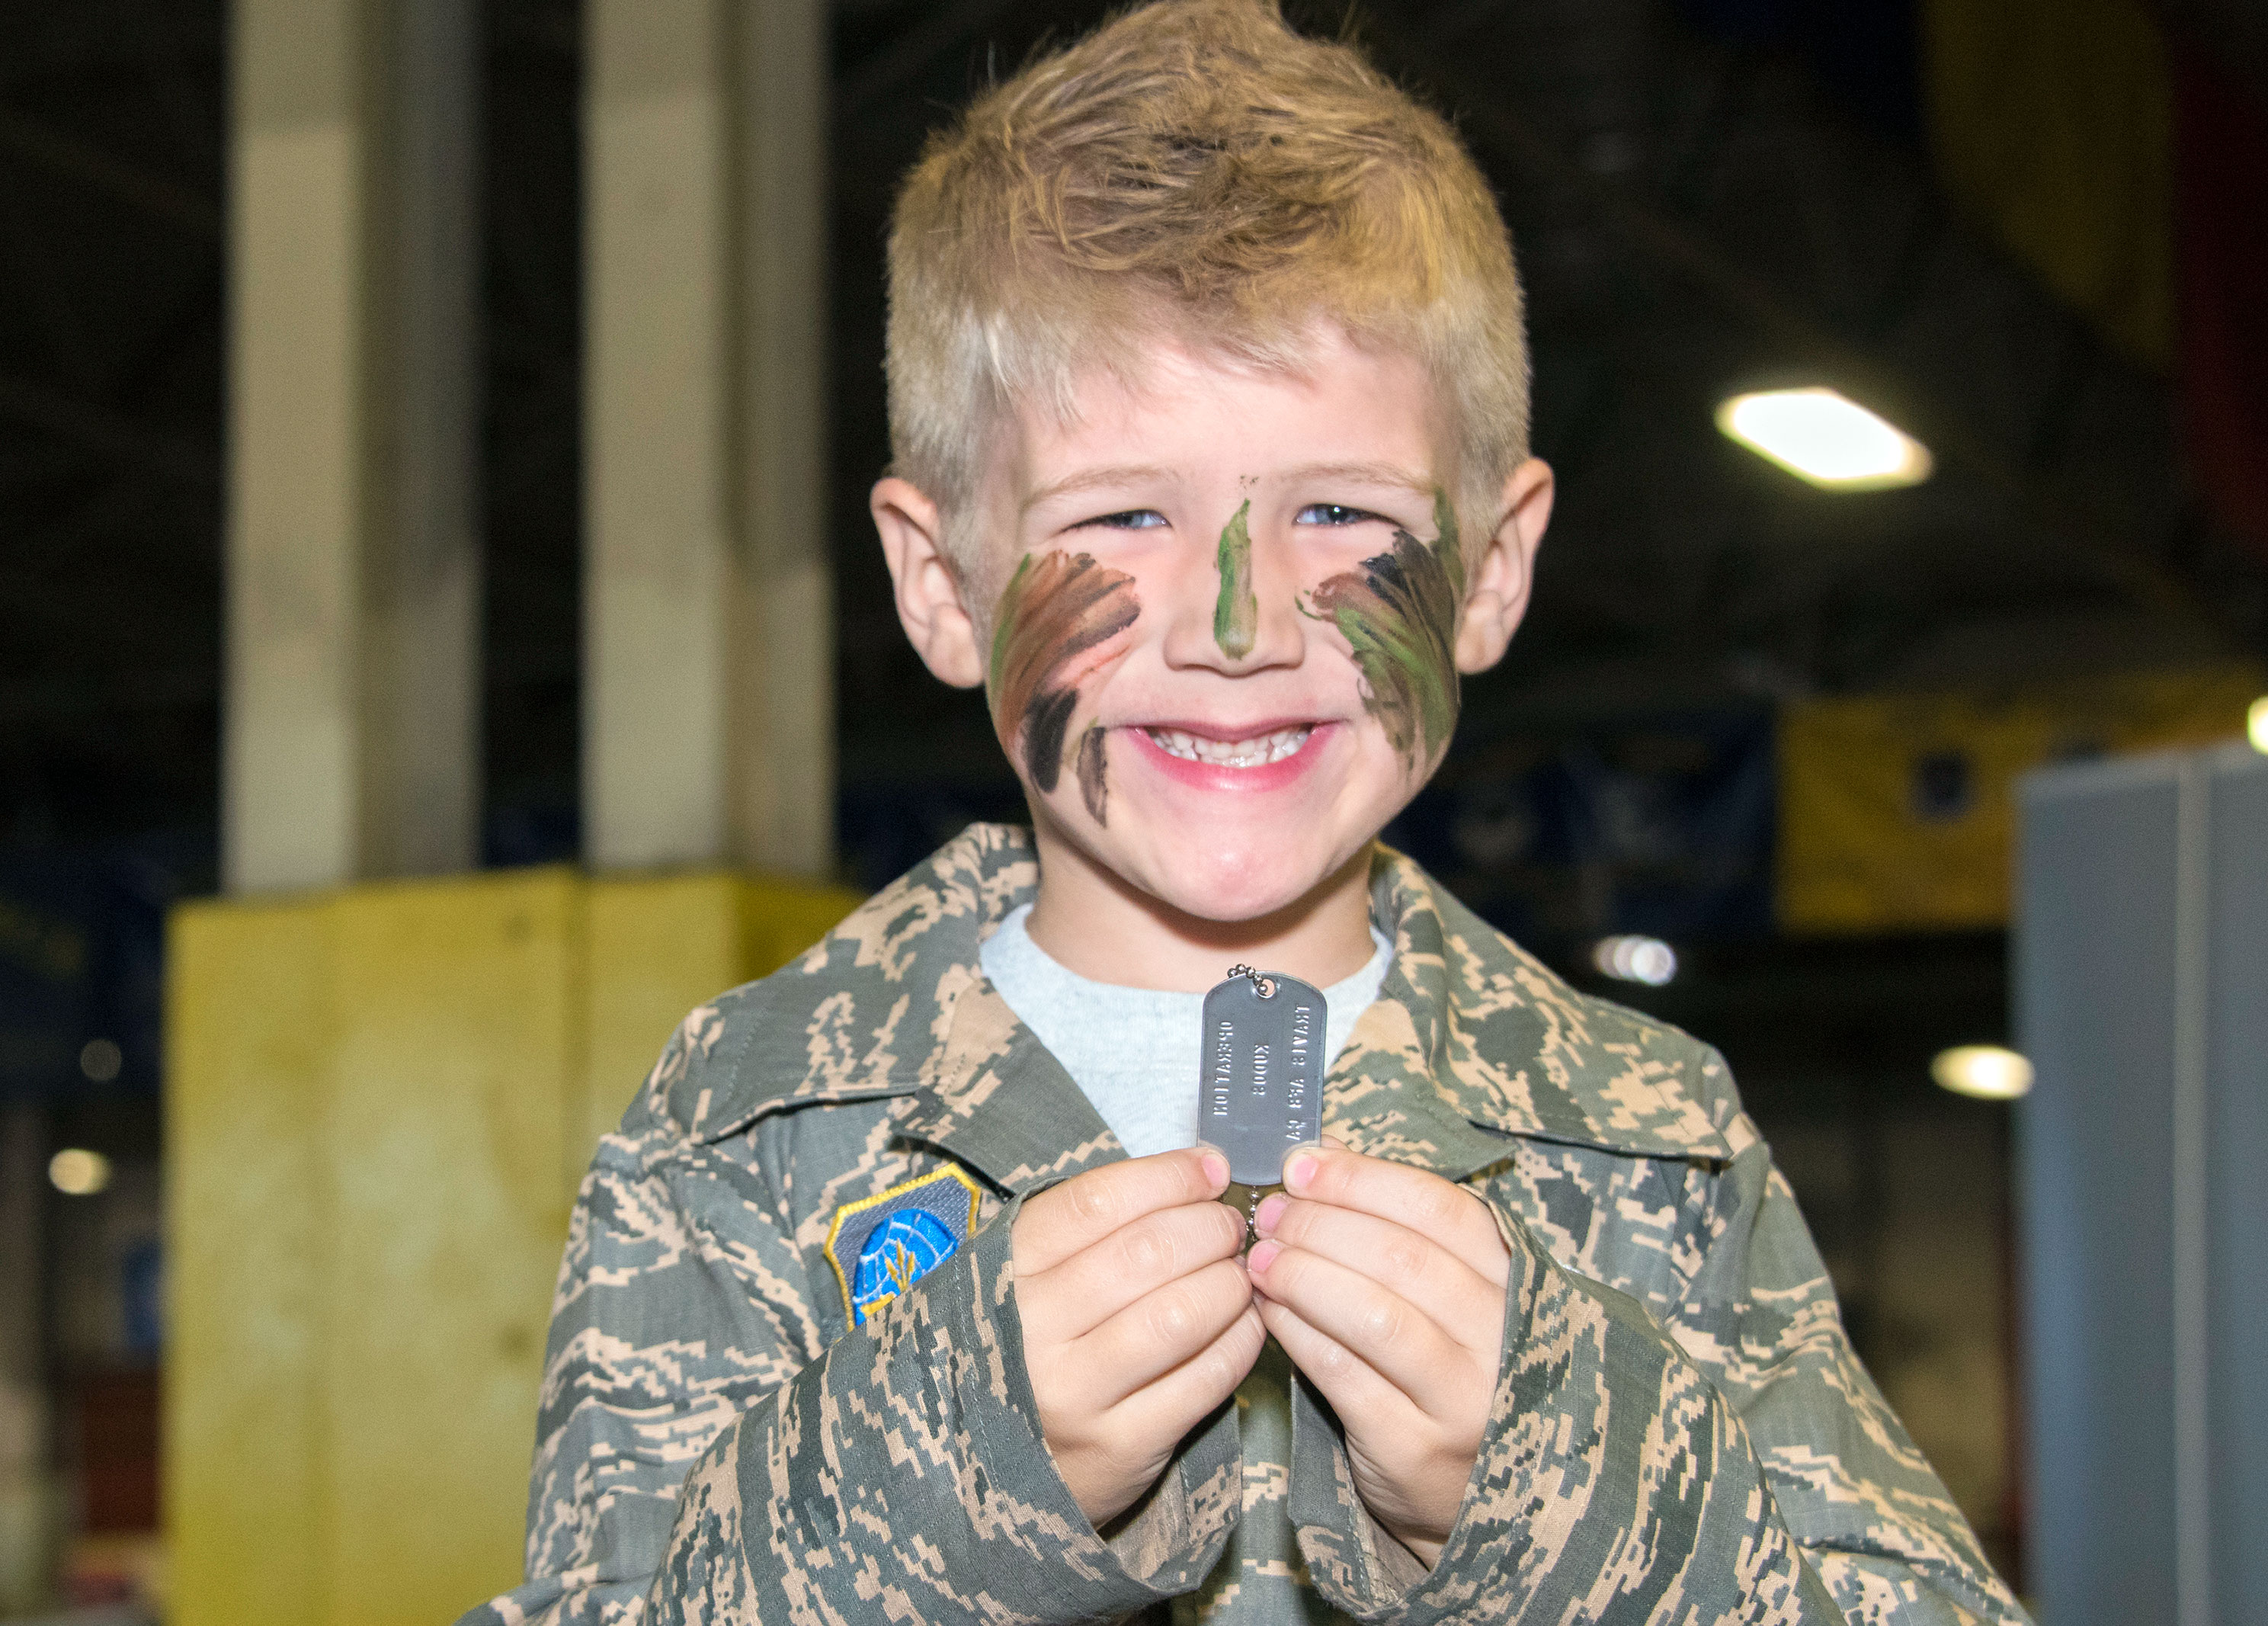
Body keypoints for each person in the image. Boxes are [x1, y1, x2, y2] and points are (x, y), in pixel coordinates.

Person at [462, 2, 2029, 1620]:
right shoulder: (752, 1136)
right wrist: (941, 1473)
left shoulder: (1640, 1144)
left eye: (1337, 511)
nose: (1237, 622)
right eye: (1122, 512)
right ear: (940, 586)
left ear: (1491, 571)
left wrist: (1570, 1483)